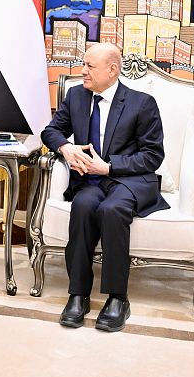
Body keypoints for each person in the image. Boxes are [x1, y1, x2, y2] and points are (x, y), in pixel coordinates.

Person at [41, 42, 166, 332]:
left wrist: (109, 167)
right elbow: (51, 131)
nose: (83, 71)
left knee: (112, 210)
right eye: (83, 64)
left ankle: (117, 297)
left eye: (90, 66)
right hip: (91, 181)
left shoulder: (141, 103)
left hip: (128, 180)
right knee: (83, 206)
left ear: (112, 70)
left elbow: (153, 156)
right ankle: (78, 294)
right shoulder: (76, 96)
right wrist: (66, 148)